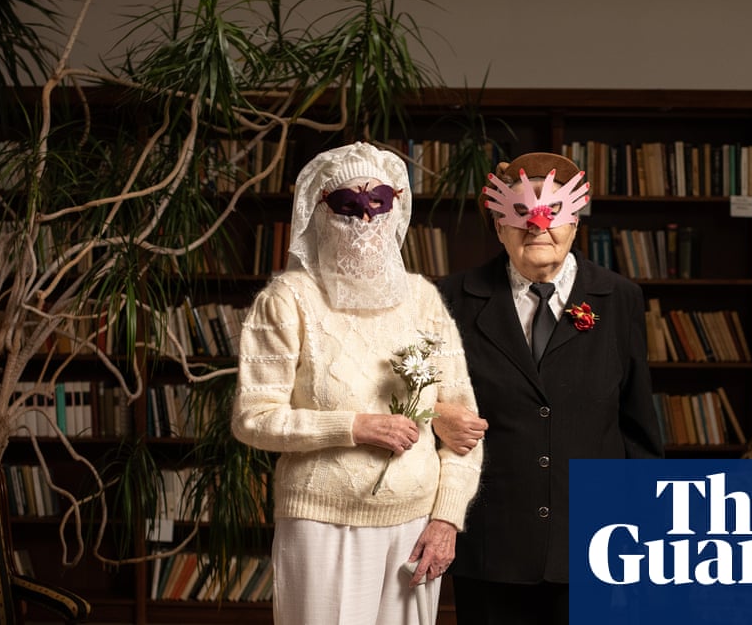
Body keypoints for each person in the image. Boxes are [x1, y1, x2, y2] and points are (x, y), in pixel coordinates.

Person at [231, 142, 483, 625]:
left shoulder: (423, 299)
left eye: (379, 203)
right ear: (318, 211)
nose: (364, 220)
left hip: (416, 525)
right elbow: (254, 419)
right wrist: (354, 427)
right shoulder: (287, 300)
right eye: (347, 206)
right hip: (322, 524)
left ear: (397, 208)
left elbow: (465, 430)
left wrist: (447, 517)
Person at [434, 152, 664, 625]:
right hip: (490, 543)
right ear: (498, 225)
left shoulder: (619, 298)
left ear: (575, 222)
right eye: (520, 214)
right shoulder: (452, 298)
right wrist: (433, 417)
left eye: (553, 213)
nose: (538, 226)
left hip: (593, 543)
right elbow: (414, 398)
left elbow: (637, 425)